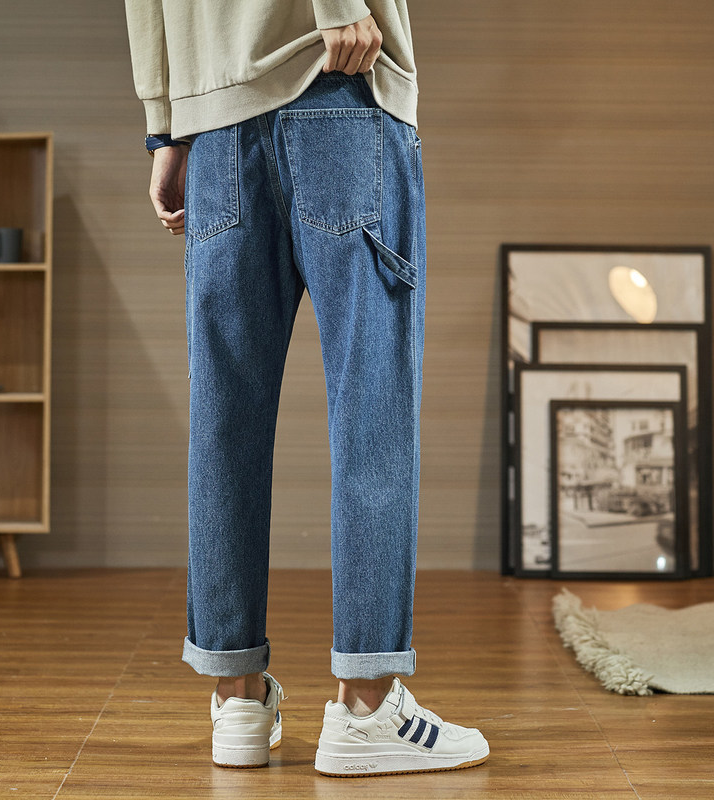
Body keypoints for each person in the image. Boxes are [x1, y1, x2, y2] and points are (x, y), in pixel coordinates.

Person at [124, 0, 489, 776]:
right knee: (372, 409)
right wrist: (341, 5)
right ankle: (367, 709)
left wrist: (166, 125)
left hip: (213, 124)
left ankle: (236, 700)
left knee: (224, 420)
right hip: (335, 86)